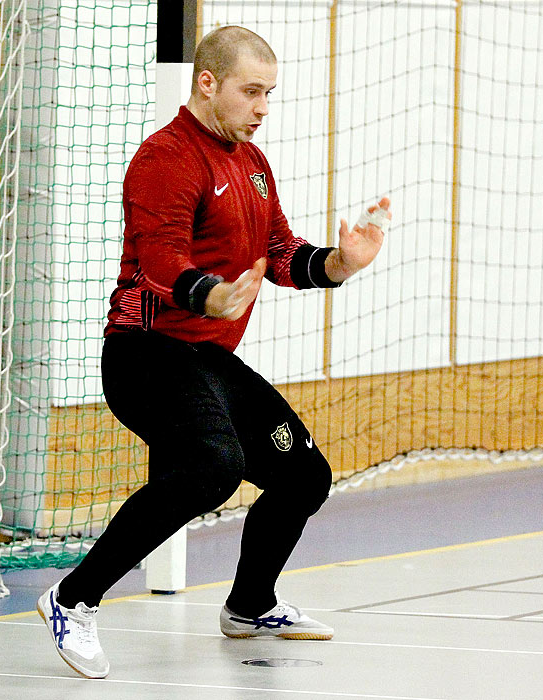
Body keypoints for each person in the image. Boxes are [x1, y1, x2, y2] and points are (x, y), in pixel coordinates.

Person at [37, 25, 391, 679]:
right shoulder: (166, 158)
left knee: (305, 477)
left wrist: (339, 263)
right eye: (251, 92)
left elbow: (281, 254)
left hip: (205, 359)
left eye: (269, 94)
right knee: (211, 468)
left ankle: (251, 605)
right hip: (146, 353)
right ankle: (71, 598)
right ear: (208, 83)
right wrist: (207, 294)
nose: (262, 107)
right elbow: (159, 259)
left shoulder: (251, 164)